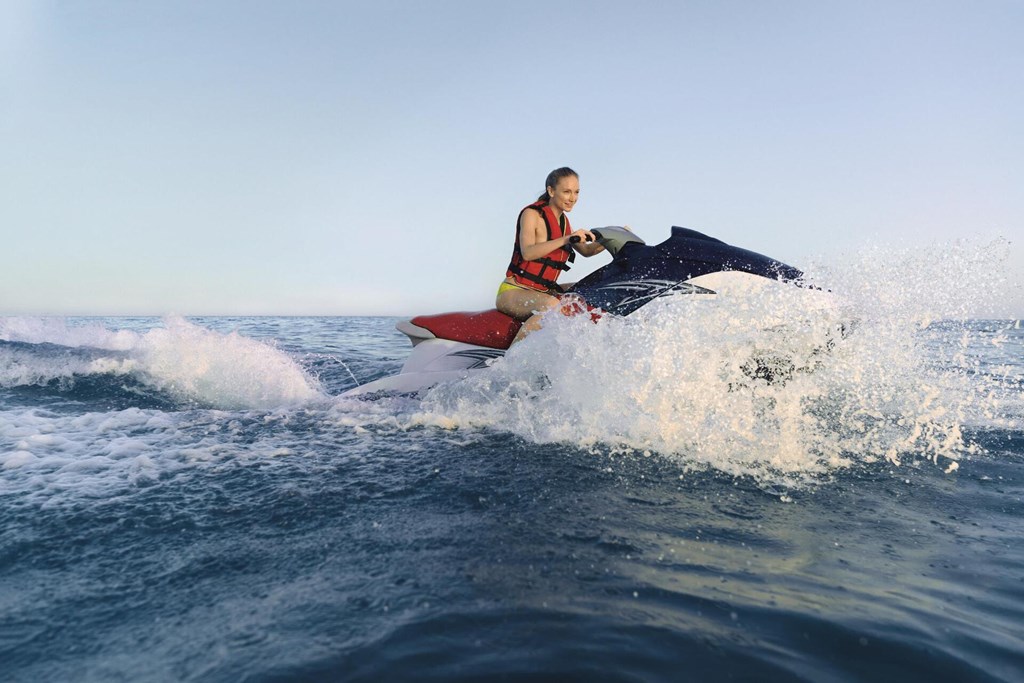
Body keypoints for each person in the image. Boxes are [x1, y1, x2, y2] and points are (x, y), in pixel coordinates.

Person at [496, 167, 604, 342]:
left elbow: (587, 251)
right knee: (552, 305)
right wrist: (566, 239)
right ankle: (513, 360)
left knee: (585, 290)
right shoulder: (532, 214)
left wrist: (611, 239)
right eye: (567, 192)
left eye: (576, 192)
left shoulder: (563, 222)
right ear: (551, 191)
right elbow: (528, 252)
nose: (573, 198)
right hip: (513, 292)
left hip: (543, 290)